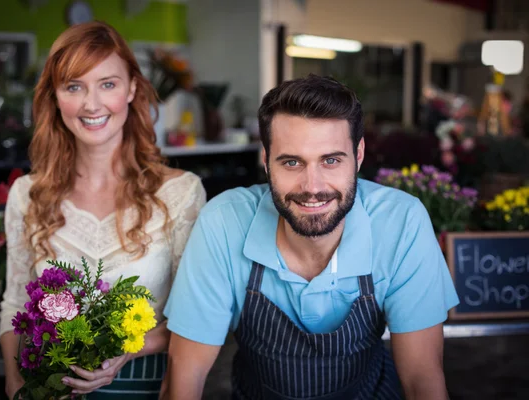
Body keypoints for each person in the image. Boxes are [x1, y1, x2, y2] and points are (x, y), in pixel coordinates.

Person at [161, 75, 459, 399]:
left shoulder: (401, 222)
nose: (312, 186)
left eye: (331, 160)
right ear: (266, 160)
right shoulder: (224, 222)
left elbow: (422, 377)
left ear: (358, 155)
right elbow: (184, 378)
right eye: (292, 162)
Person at [0, 21, 206, 399]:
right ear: (55, 97)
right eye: (74, 86)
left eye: (107, 84)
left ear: (131, 89)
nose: (91, 104)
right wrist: (15, 384)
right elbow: (14, 302)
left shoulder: (180, 193)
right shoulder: (27, 194)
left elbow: (193, 319)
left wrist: (125, 351)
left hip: (144, 386)